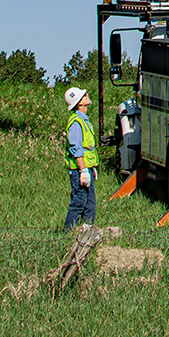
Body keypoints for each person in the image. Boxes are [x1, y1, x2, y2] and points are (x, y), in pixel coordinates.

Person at [63, 85, 99, 230]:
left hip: (86, 169)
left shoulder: (83, 120)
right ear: (79, 103)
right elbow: (76, 148)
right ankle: (68, 234)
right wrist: (83, 170)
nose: (87, 95)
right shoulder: (76, 123)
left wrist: (90, 168)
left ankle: (87, 235)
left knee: (90, 205)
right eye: (83, 95)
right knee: (78, 203)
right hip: (79, 171)